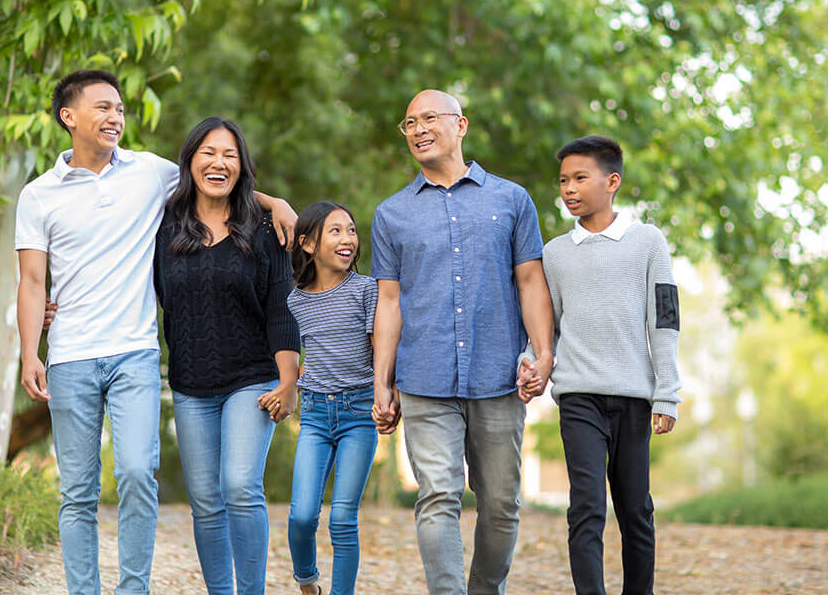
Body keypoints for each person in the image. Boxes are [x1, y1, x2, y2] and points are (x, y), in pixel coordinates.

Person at [16, 71, 295, 595]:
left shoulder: (149, 172)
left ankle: (134, 590)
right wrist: (30, 350)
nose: (115, 117)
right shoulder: (38, 195)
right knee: (77, 492)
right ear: (68, 116)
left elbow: (220, 184)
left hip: (136, 353)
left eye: (119, 109)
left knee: (140, 476)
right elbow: (32, 281)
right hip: (71, 353)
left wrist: (275, 204)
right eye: (102, 108)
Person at [369, 89, 554, 595]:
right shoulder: (391, 214)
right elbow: (389, 303)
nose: (418, 129)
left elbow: (531, 282)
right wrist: (382, 383)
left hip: (498, 375)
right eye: (408, 123)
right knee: (438, 495)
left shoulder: (511, 200)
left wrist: (544, 354)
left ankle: (484, 589)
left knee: (500, 502)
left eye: (429, 118)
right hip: (424, 376)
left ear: (461, 124)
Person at [152, 116, 300, 595]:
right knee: (205, 502)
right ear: (190, 160)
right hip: (190, 382)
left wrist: (288, 381)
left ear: (242, 167)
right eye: (208, 153)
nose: (218, 163)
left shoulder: (264, 229)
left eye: (230, 155)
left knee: (239, 486)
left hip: (252, 378)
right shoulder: (163, 224)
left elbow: (282, 308)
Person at [535, 135, 682, 595]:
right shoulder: (555, 253)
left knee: (636, 509)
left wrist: (667, 393)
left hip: (635, 397)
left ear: (612, 181)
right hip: (578, 395)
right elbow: (547, 327)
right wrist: (532, 362)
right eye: (563, 180)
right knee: (586, 505)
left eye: (580, 178)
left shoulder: (647, 241)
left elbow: (665, 318)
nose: (569, 189)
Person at [285, 201, 380, 595]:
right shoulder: (294, 301)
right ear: (307, 244)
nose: (348, 239)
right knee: (302, 516)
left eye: (352, 230)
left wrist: (389, 393)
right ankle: (307, 580)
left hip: (360, 413)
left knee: (343, 518)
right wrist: (291, 378)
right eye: (336, 231)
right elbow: (290, 351)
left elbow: (382, 349)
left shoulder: (367, 289)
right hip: (316, 415)